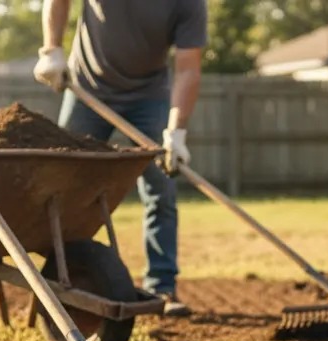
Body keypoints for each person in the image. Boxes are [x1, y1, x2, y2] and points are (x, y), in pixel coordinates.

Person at [33, 0, 206, 317]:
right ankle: (63, 279)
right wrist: (51, 49)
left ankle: (162, 286)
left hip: (149, 97)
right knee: (64, 186)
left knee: (161, 189)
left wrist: (176, 131)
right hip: (87, 90)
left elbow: (188, 68)